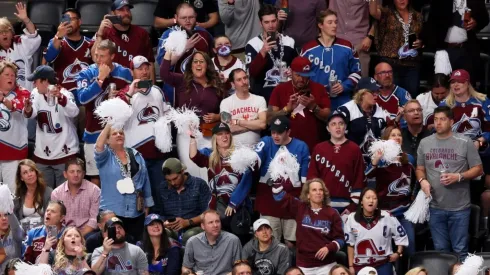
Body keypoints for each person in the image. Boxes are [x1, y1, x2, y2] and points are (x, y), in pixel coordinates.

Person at [416, 106, 483, 260]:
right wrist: (422, 181)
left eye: (443, 119)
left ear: (451, 121)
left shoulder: (464, 142)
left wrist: (458, 177)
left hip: (459, 207)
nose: (438, 123)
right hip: (435, 206)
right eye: (436, 119)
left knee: (460, 250)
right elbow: (419, 168)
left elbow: (478, 169)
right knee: (441, 252)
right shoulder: (425, 143)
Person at [117, 55, 171, 212]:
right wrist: (130, 93)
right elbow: (116, 119)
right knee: (137, 194)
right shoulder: (125, 93)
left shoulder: (158, 91)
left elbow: (167, 113)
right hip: (135, 155)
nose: (144, 71)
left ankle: (160, 223)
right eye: (140, 68)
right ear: (132, 71)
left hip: (157, 153)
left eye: (147, 67)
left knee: (160, 192)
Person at [77, 39, 132, 187]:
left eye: (102, 56)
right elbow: (82, 99)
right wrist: (100, 80)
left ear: (112, 56)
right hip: (93, 134)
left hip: (119, 135)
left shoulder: (125, 73)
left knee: (121, 175)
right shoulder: (87, 73)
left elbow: (132, 101)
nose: (98, 59)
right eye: (96, 55)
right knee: (96, 179)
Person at [160, 50, 223, 180]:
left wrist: (218, 117)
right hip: (186, 134)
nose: (198, 64)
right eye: (195, 62)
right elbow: (164, 74)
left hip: (208, 134)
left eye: (202, 61)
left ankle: (212, 200)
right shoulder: (183, 81)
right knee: (192, 172)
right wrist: (170, 50)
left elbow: (226, 110)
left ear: (208, 65)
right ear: (191, 66)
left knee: (210, 172)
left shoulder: (217, 86)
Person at [254, 116, 310, 248]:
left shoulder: (301, 146)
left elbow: (305, 179)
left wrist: (304, 203)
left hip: (291, 202)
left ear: (288, 132)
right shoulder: (266, 142)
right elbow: (255, 159)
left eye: (279, 132)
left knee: (291, 243)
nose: (275, 136)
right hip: (268, 203)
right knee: (270, 243)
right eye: (273, 132)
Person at [95, 123, 154, 242]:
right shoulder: (105, 156)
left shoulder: (136, 155)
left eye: (121, 133)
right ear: (107, 139)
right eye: (114, 133)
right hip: (113, 211)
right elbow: (98, 146)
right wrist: (109, 123)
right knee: (114, 244)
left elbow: (145, 180)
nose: (118, 135)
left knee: (136, 243)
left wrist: (147, 205)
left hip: (136, 210)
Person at [272, 178, 344, 275]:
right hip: (304, 266)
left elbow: (340, 239)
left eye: (320, 189)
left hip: (327, 265)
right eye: (314, 190)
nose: (318, 192)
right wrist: (276, 179)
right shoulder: (300, 207)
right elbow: (279, 196)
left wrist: (329, 248)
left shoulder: (333, 213)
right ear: (308, 195)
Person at [23, 65, 79, 189]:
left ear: (45, 81)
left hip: (65, 154)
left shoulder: (65, 94)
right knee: (44, 196)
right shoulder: (36, 94)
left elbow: (74, 112)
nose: (34, 85)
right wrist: (28, 109)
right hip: (42, 155)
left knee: (64, 197)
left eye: (36, 81)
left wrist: (60, 98)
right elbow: (32, 114)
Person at [190, 123, 253, 230]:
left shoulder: (240, 154)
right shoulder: (209, 154)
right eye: (220, 134)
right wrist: (192, 137)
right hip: (217, 206)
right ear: (214, 138)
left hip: (238, 205)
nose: (224, 137)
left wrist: (234, 202)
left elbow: (247, 180)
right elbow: (194, 156)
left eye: (227, 133)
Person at [366, 126, 416, 257]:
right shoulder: (380, 159)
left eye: (399, 135)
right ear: (385, 139)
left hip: (404, 212)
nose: (397, 137)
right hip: (385, 213)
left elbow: (416, 182)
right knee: (385, 249)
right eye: (393, 135)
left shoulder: (409, 159)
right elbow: (366, 176)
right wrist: (375, 161)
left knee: (409, 246)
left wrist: (413, 198)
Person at [301, 9, 361, 110]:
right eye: (330, 22)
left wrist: (344, 86)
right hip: (315, 100)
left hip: (342, 100)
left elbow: (357, 72)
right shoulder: (308, 49)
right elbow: (301, 74)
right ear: (320, 25)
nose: (334, 25)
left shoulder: (347, 46)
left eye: (336, 22)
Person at [307, 113, 365, 217]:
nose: (337, 127)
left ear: (345, 127)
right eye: (333, 124)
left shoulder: (354, 149)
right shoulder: (319, 149)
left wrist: (352, 207)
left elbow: (359, 178)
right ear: (328, 128)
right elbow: (312, 177)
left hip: (347, 207)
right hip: (323, 205)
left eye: (341, 123)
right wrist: (316, 203)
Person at [420, 0, 489, 84]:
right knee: (442, 85)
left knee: (466, 85)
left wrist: (475, 22)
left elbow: (484, 18)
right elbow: (431, 23)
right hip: (444, 50)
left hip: (466, 50)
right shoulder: (439, 2)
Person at [268, 56, 331, 150]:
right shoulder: (279, 90)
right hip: (286, 147)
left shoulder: (319, 89)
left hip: (315, 146)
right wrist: (287, 109)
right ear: (291, 72)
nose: (302, 79)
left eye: (305, 76)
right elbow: (269, 120)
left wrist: (313, 107)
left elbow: (329, 118)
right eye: (298, 75)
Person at [345, 188, 408, 275]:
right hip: (360, 265)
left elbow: (401, 235)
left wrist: (398, 252)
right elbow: (350, 244)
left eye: (374, 198)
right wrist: (351, 266)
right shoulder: (351, 218)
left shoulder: (387, 216)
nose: (371, 201)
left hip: (383, 264)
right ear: (361, 201)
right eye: (368, 197)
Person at [369, 0, 423, 98]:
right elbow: (373, 12)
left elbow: (423, 36)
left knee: (411, 96)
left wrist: (420, 43)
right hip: (391, 64)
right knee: (393, 96)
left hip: (412, 64)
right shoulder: (386, 13)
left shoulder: (417, 15)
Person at [246, 4, 296, 103]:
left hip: (287, 93)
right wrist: (263, 52)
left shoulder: (289, 41)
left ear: (277, 21)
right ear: (261, 23)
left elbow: (297, 68)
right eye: (266, 22)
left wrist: (293, 71)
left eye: (273, 21)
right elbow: (252, 73)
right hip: (263, 95)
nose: (271, 25)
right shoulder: (253, 44)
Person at [93, 0, 155, 81]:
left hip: (136, 83)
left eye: (128, 10)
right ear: (113, 13)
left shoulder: (142, 33)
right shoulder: (105, 32)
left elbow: (150, 63)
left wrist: (152, 88)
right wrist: (100, 34)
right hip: (110, 84)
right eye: (121, 10)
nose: (126, 13)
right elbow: (94, 58)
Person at [335, 77, 391, 160]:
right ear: (362, 94)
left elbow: (385, 137)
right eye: (372, 92)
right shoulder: (346, 110)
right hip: (350, 158)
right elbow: (336, 138)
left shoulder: (381, 111)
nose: (376, 95)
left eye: (377, 91)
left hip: (375, 160)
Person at [159, 158, 211, 245]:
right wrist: (164, 223)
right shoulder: (162, 188)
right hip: (172, 229)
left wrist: (188, 222)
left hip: (194, 227)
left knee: (189, 236)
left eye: (175, 178)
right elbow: (159, 213)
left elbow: (208, 213)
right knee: (162, 234)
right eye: (168, 180)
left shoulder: (199, 184)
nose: (172, 183)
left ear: (182, 171)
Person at [43, 8, 94, 95]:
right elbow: (48, 57)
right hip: (63, 94)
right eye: (65, 19)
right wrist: (59, 36)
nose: (68, 22)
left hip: (85, 93)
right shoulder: (56, 41)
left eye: (72, 19)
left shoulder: (90, 43)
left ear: (79, 22)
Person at [0, 61, 31, 193]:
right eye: (7, 74)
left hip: (13, 152)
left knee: (11, 194)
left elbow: (19, 108)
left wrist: (3, 100)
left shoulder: (23, 93)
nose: (11, 78)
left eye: (13, 75)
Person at [50, 158, 101, 237]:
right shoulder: (56, 193)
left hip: (87, 233)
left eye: (79, 171)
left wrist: (78, 236)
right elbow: (54, 220)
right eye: (72, 171)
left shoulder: (94, 190)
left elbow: (94, 220)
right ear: (65, 174)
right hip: (64, 233)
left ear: (83, 174)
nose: (76, 175)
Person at [182, 210, 242, 275]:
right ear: (203, 226)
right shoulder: (192, 242)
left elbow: (239, 268)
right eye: (211, 222)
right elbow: (186, 267)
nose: (215, 225)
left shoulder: (233, 240)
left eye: (217, 221)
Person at [156, 3, 214, 70]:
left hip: (201, 79)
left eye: (191, 17)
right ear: (176, 17)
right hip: (176, 79)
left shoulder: (204, 33)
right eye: (183, 18)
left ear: (195, 15)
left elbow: (213, 58)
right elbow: (162, 65)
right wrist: (184, 48)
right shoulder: (168, 35)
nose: (187, 21)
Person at [220, 68, 267, 147]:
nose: (244, 82)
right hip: (233, 150)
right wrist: (253, 124)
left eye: (245, 78)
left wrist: (238, 122)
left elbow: (262, 124)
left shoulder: (259, 99)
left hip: (256, 149)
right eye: (239, 80)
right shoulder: (226, 102)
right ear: (233, 84)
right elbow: (227, 129)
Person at [0, 2, 41, 91]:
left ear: (12, 33)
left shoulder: (21, 43)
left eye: (6, 30)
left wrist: (26, 20)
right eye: (0, 32)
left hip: (23, 94)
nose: (4, 34)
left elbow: (33, 36)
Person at [328, 0, 374, 78]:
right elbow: (329, 12)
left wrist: (370, 36)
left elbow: (379, 15)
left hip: (359, 42)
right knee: (336, 79)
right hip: (337, 40)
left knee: (361, 81)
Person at [13, 159, 53, 230]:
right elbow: (15, 219)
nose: (29, 174)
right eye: (25, 173)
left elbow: (51, 218)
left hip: (43, 232)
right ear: (21, 178)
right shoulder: (18, 195)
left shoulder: (48, 192)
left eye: (31, 170)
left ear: (36, 172)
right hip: (23, 234)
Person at [153, 0, 219, 32]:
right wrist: (177, 20)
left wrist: (203, 25)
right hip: (175, 34)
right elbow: (157, 23)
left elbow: (214, 17)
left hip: (199, 32)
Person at [0, 205, 24, 273]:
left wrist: (10, 210)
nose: (4, 218)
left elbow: (16, 228)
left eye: (6, 214)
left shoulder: (16, 232)